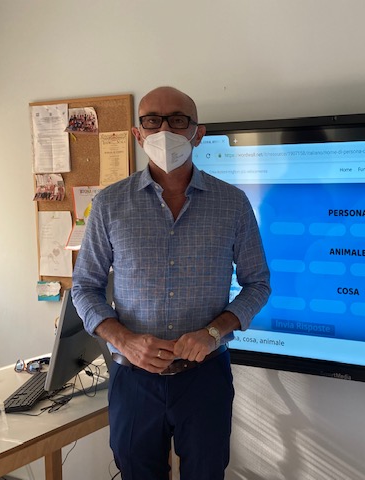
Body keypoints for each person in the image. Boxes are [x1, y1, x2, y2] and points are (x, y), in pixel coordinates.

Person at [72, 86, 271, 479]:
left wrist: (213, 332)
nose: (164, 130)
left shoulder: (232, 204)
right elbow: (84, 288)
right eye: (152, 121)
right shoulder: (109, 204)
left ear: (198, 134)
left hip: (205, 378)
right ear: (138, 134)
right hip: (132, 377)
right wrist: (125, 340)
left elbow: (258, 284)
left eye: (178, 120)